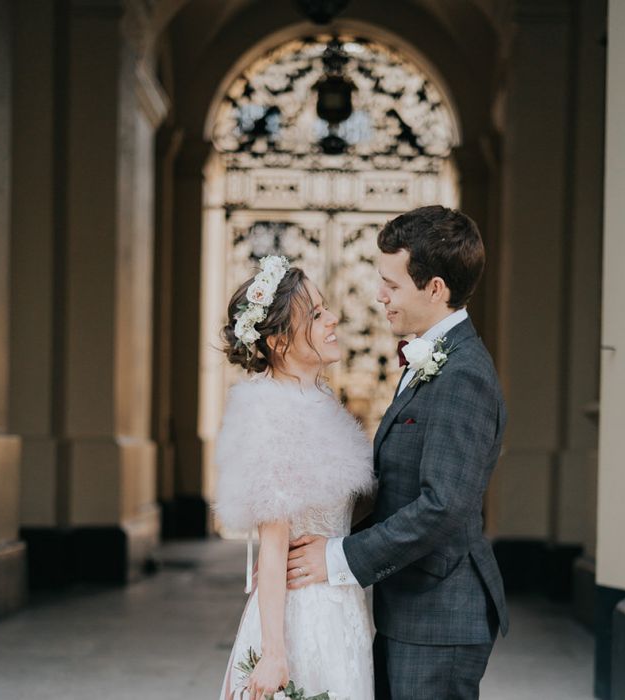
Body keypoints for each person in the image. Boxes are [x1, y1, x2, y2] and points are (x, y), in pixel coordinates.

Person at [287, 205, 509, 700]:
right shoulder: (433, 358)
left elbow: (443, 504)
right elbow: (398, 483)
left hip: (440, 616)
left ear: (435, 288)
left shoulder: (463, 374)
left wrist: (340, 557)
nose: (379, 296)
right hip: (412, 606)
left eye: (391, 284)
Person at [214, 256, 376, 700]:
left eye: (326, 309)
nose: (333, 318)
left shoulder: (319, 403)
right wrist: (274, 653)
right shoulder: (272, 414)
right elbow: (272, 545)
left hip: (342, 607)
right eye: (317, 314)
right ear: (279, 342)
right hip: (302, 617)